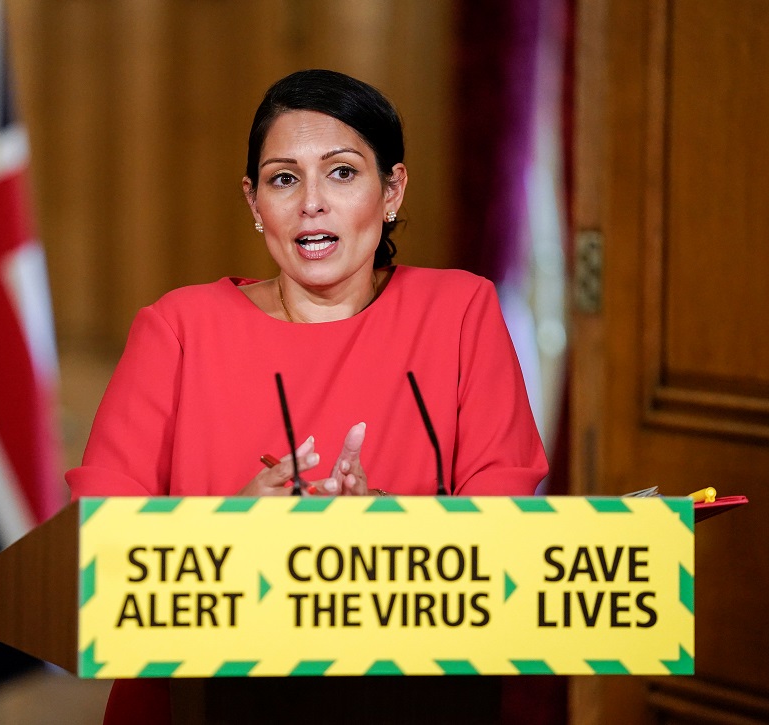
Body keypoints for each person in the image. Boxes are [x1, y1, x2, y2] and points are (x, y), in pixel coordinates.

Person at [66, 69, 547, 725]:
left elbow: (510, 538)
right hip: (199, 704)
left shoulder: (463, 311)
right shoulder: (177, 328)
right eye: (284, 178)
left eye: (342, 173)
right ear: (254, 200)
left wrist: (399, 533)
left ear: (393, 190)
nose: (311, 203)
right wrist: (226, 534)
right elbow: (95, 551)